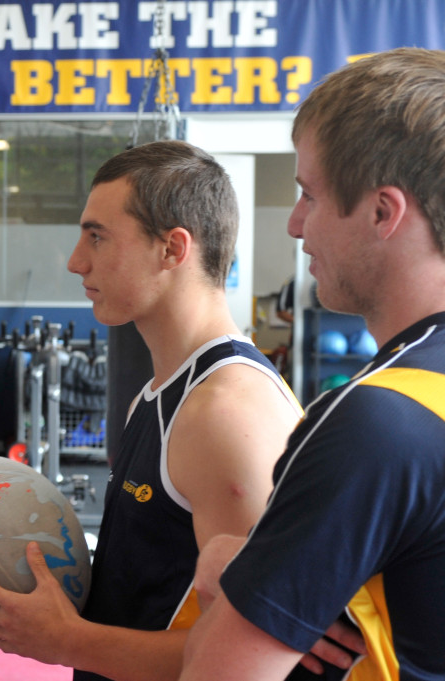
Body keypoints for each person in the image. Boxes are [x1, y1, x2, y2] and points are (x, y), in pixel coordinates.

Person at [0, 140, 305, 681]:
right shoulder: (163, 391)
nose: (76, 261)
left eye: (98, 237)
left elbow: (253, 656)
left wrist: (66, 640)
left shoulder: (226, 411)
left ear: (172, 249)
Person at [178, 47, 445, 681]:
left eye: (309, 195)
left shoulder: (374, 421)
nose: (296, 225)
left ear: (384, 211)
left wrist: (225, 564)